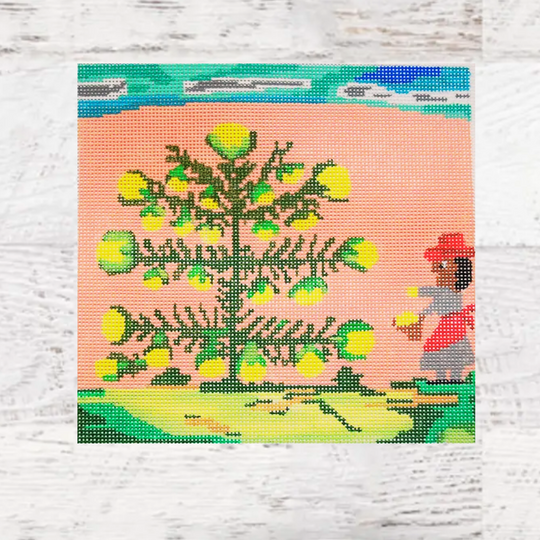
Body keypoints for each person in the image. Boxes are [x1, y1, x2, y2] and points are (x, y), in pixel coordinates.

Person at [395, 233, 475, 382]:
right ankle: (443, 379)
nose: (435, 270)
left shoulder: (450, 290)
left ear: (457, 270)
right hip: (450, 324)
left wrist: (415, 292)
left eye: (442, 265)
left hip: (452, 325)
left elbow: (434, 293)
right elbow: (435, 303)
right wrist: (423, 313)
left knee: (446, 348)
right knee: (445, 349)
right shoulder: (447, 291)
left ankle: (453, 379)